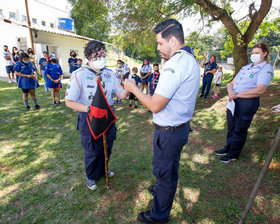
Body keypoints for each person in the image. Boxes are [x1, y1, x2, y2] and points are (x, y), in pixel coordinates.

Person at [124, 19, 200, 223]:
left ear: (173, 41)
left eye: (160, 43)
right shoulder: (190, 58)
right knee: (168, 168)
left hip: (170, 131)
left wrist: (133, 88)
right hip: (178, 128)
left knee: (165, 172)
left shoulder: (176, 63)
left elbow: (155, 105)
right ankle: (162, 189)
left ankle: (159, 215)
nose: (158, 48)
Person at [65, 40, 129, 190]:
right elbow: (69, 101)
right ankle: (91, 176)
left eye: (103, 54)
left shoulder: (109, 73)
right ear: (88, 56)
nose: (101, 58)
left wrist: (128, 89)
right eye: (97, 55)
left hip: (108, 116)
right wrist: (90, 109)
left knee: (108, 145)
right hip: (89, 117)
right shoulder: (78, 75)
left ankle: (103, 169)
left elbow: (120, 94)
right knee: (93, 149)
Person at [215, 43, 274, 163]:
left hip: (247, 102)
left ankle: (233, 154)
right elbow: (231, 83)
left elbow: (260, 89)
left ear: (265, 53)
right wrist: (231, 92)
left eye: (257, 53)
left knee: (240, 128)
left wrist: (236, 95)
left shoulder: (266, 68)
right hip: (233, 99)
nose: (254, 55)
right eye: (252, 53)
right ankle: (228, 148)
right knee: (231, 126)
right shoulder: (246, 67)